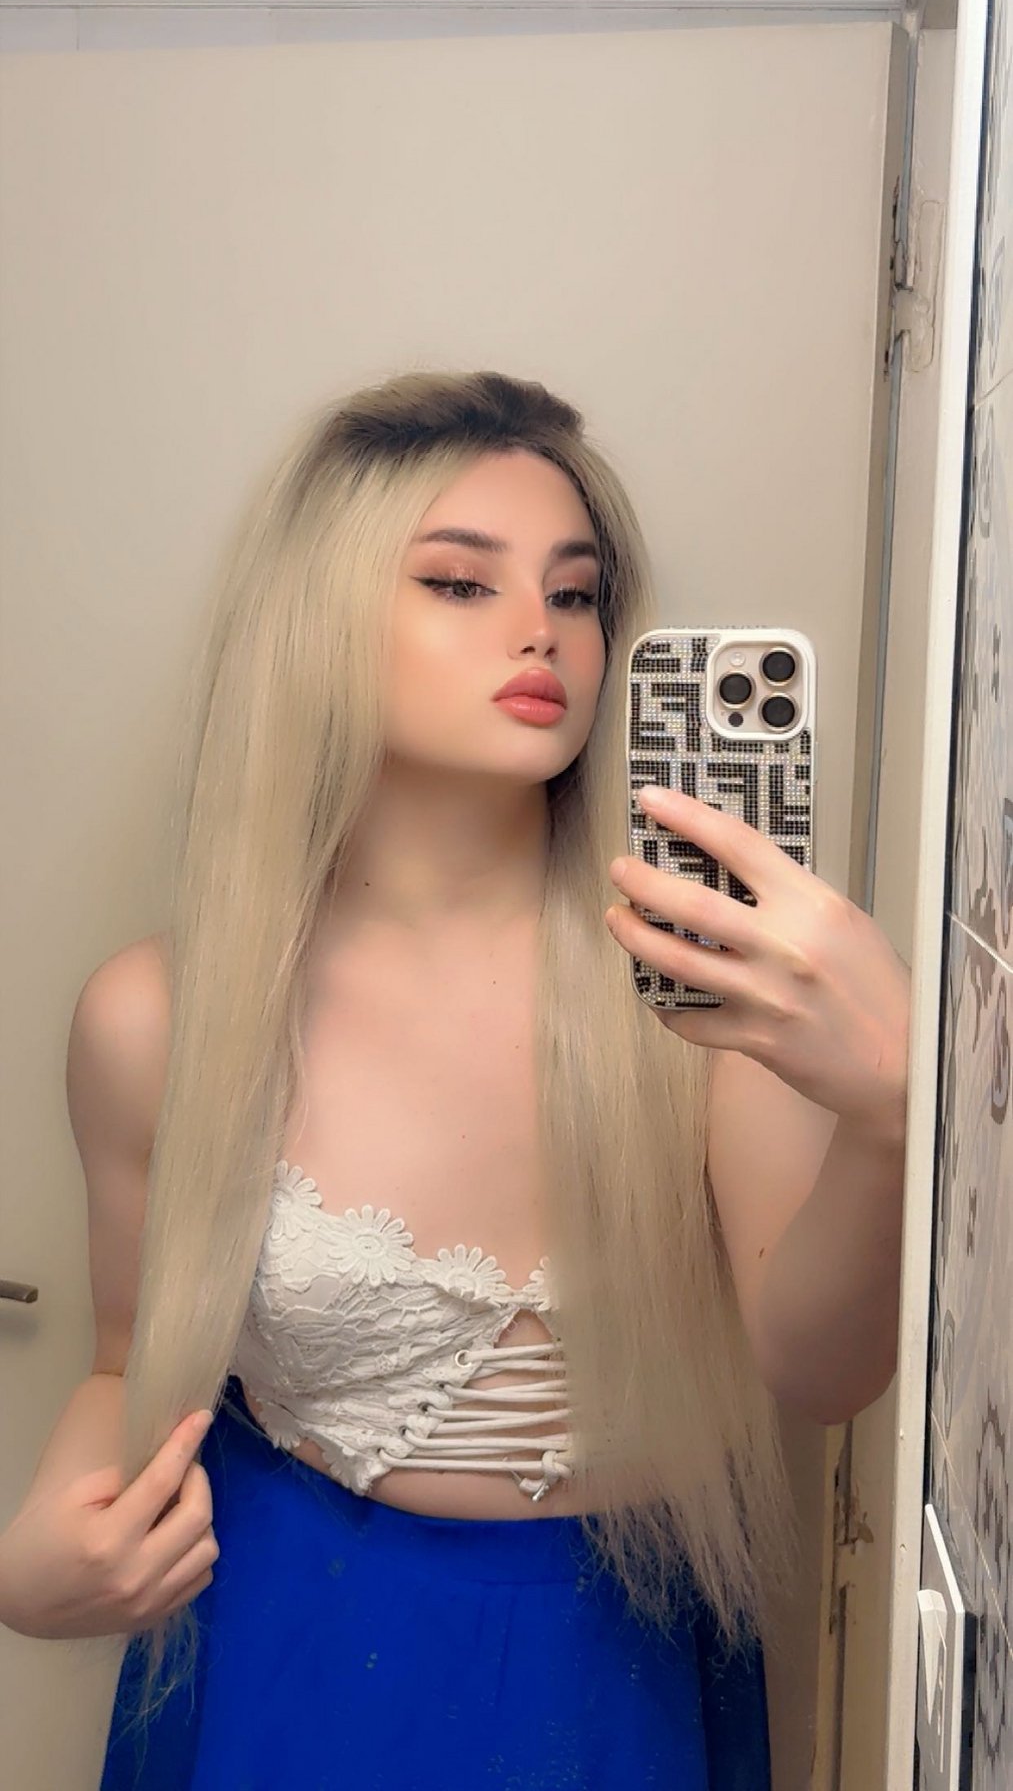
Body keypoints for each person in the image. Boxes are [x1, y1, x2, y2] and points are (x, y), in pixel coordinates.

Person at [0, 370, 911, 1789]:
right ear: (318, 618)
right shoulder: (162, 1015)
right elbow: (130, 1361)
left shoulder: (700, 982)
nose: (540, 628)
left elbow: (824, 1375)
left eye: (576, 592)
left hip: (617, 1667)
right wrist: (35, 1562)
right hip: (286, 1645)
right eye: (457, 582)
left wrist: (885, 1117)